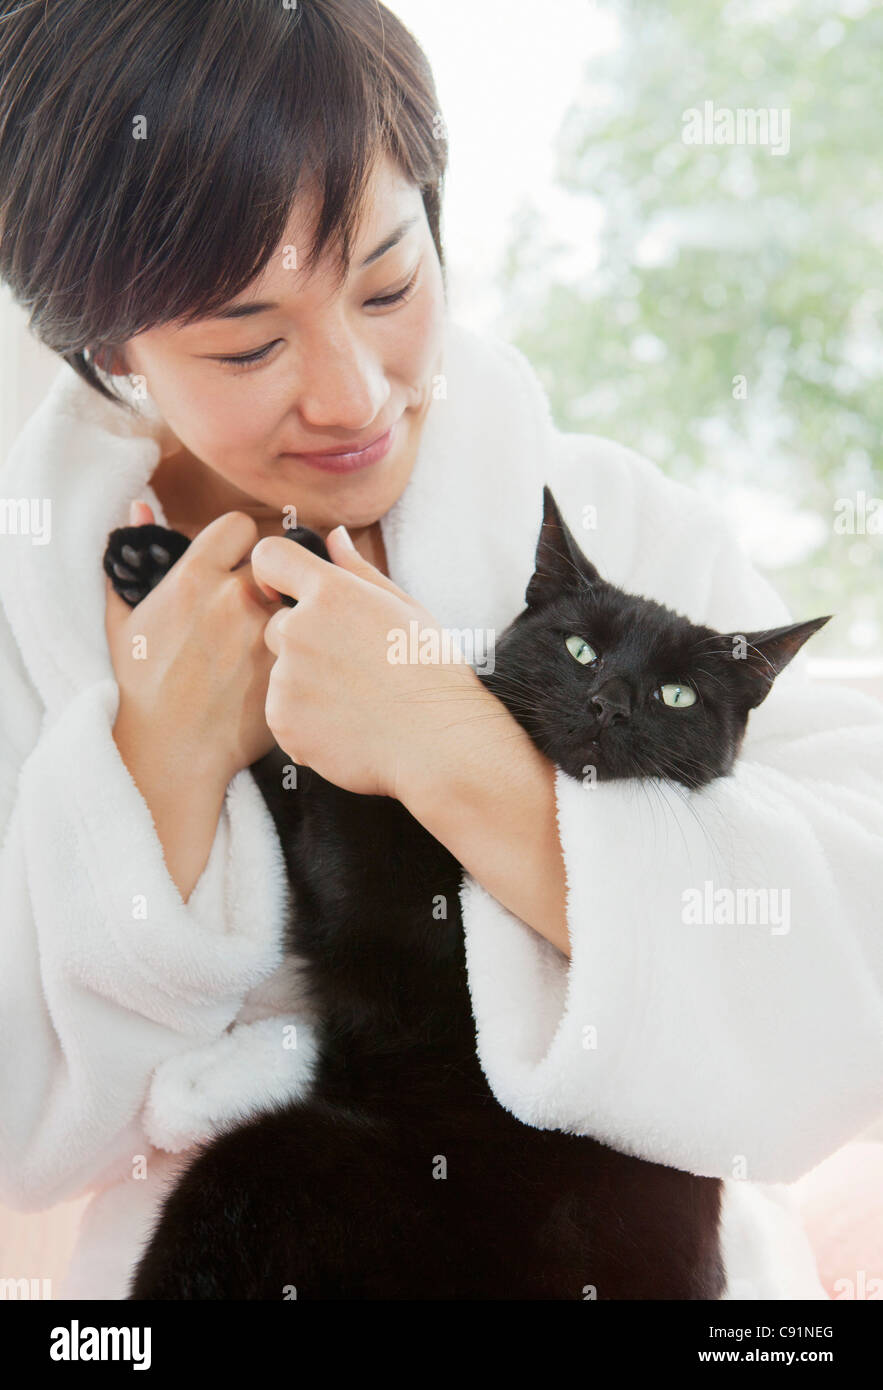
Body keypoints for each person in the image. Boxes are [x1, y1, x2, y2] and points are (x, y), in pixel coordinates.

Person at [0, 0, 879, 1300]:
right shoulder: (38, 623)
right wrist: (159, 774)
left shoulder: (605, 525)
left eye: (390, 282)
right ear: (109, 354)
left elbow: (851, 959)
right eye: (249, 339)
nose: (354, 393)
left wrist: (465, 758)